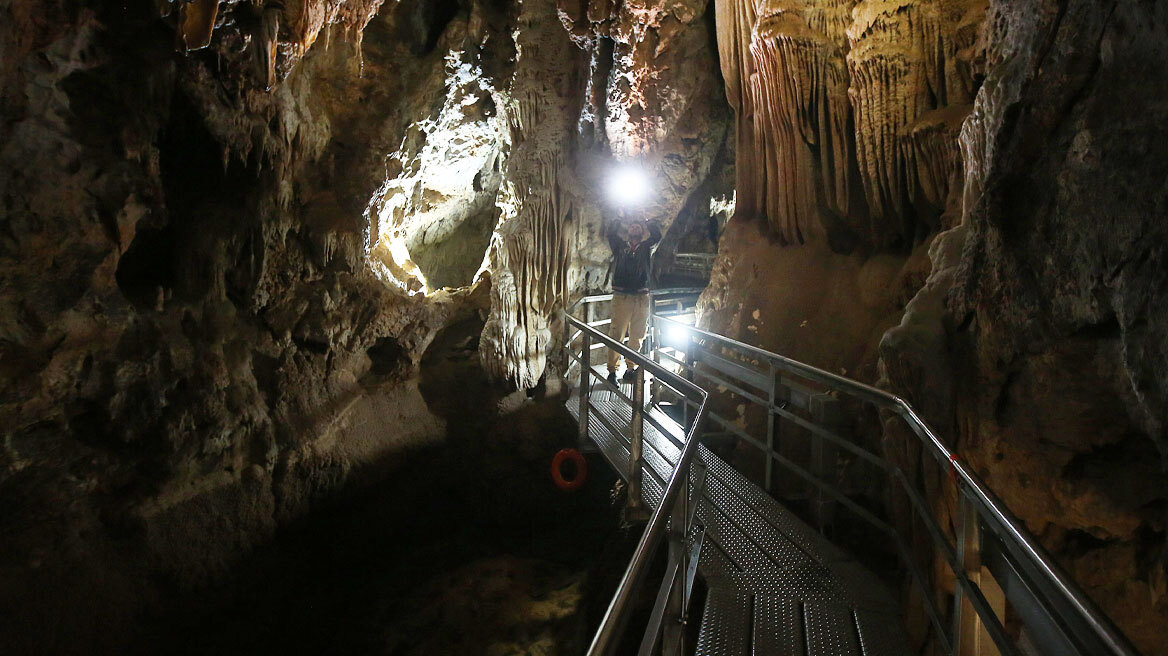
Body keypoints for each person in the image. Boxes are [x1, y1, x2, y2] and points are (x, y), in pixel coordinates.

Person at [605, 217, 662, 386]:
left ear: (642, 232)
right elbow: (610, 234)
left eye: (638, 227)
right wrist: (618, 216)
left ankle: (630, 369)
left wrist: (648, 221)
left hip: (641, 296)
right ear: (628, 231)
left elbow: (657, 237)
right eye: (632, 226)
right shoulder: (620, 247)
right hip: (622, 296)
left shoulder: (646, 247)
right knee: (617, 334)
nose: (635, 228)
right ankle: (612, 371)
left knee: (637, 335)